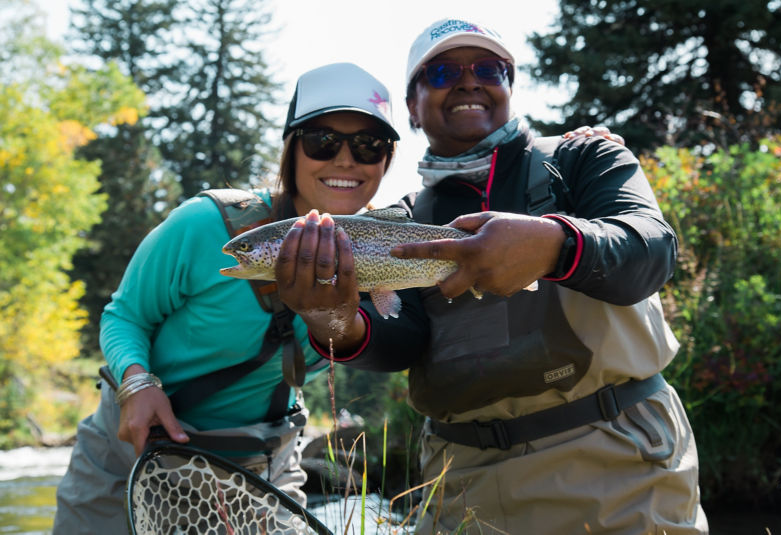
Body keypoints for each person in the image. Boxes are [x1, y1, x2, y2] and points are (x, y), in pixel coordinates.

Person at [276, 18, 708, 535]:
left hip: (618, 470)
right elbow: (402, 341)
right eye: (440, 73)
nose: (467, 81)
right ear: (412, 108)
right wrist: (335, 322)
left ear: (509, 87)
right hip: (460, 484)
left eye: (488, 68)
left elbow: (651, 252)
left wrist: (554, 245)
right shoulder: (402, 220)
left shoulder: (583, 158)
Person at [52, 61, 400, 534]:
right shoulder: (206, 226)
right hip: (128, 454)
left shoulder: (390, 256)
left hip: (261, 472)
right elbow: (125, 315)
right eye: (322, 141)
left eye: (368, 146)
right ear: (291, 151)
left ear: (386, 161)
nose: (345, 160)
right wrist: (136, 382)